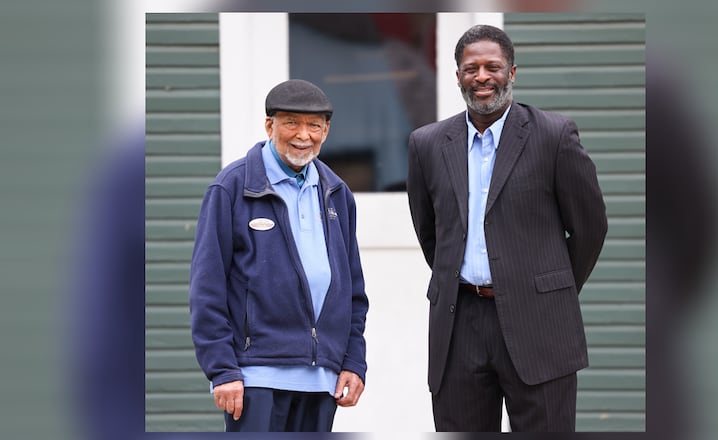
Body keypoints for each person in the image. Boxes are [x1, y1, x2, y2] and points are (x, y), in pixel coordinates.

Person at [406, 25, 608, 432]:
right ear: (458, 75)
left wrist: (549, 288)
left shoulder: (554, 135)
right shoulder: (426, 144)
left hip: (540, 323)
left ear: (512, 72)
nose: (481, 76)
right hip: (458, 322)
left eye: (492, 66)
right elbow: (431, 233)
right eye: (471, 68)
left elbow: (590, 228)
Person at [189, 79, 369, 432]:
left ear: (326, 131)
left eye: (314, 125)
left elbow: (353, 292)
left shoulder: (337, 194)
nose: (303, 135)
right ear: (269, 125)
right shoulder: (232, 188)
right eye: (291, 122)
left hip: (322, 378)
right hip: (255, 375)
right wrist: (222, 369)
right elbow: (206, 288)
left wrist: (353, 361)